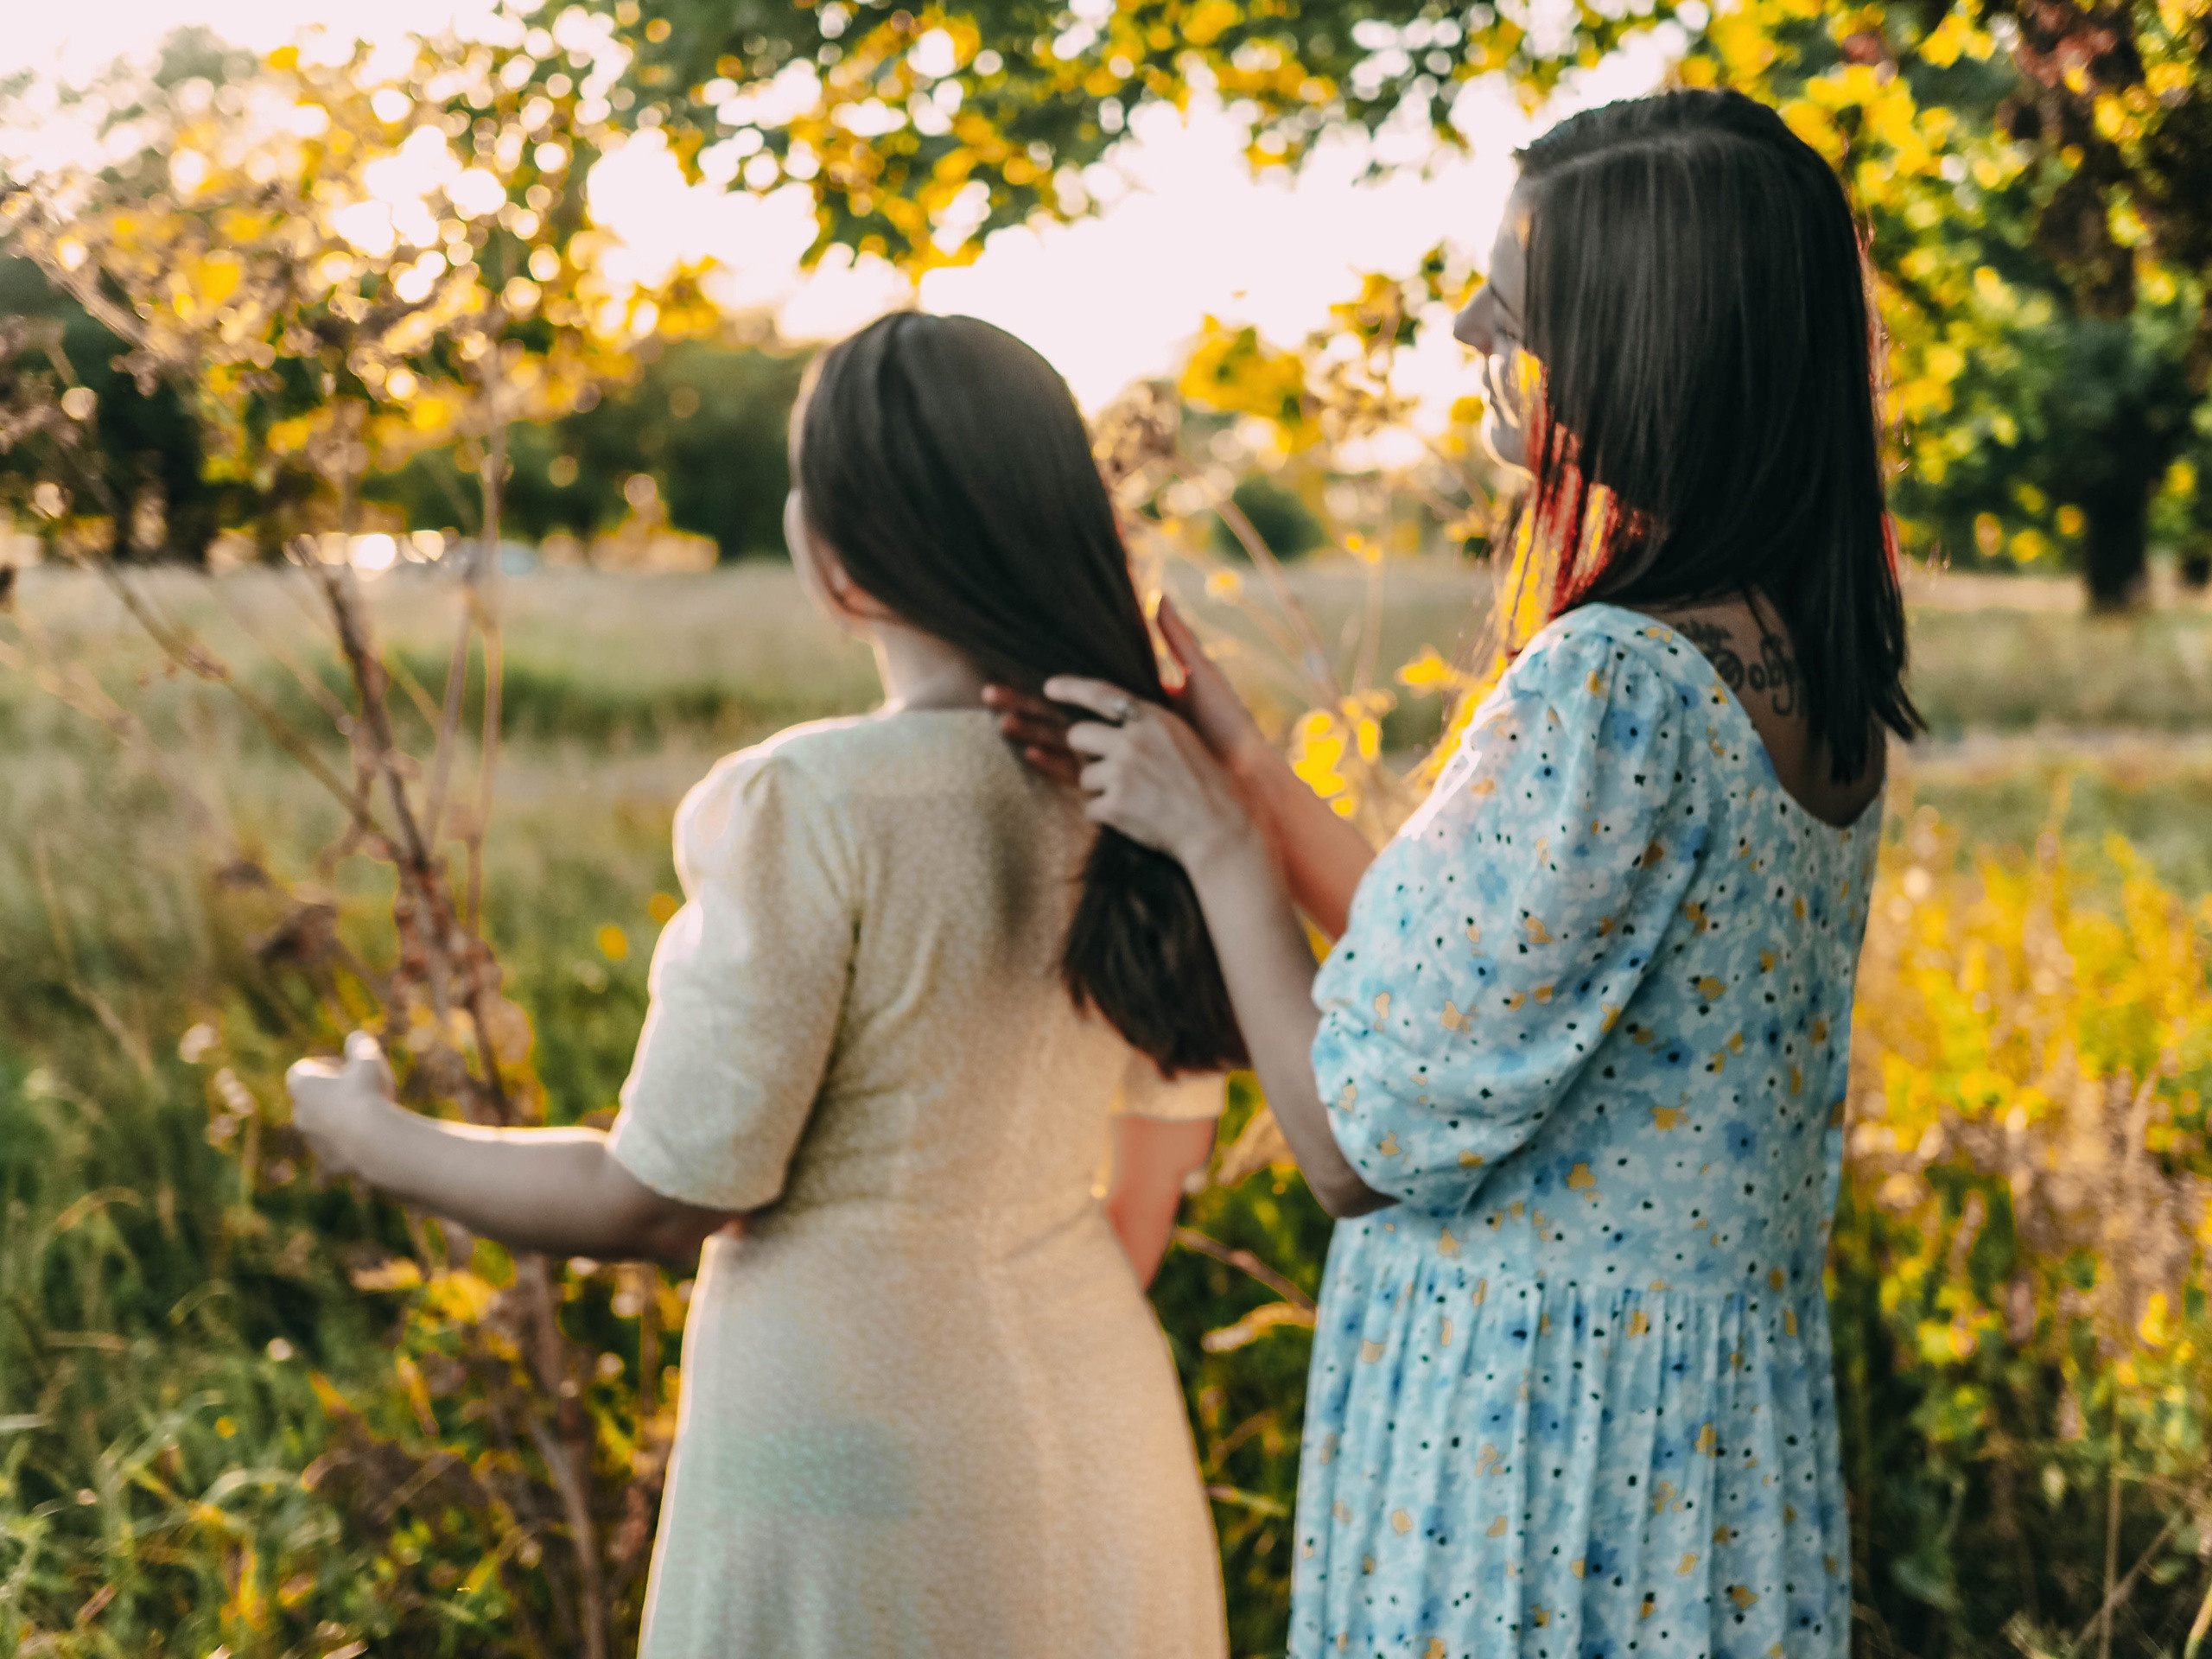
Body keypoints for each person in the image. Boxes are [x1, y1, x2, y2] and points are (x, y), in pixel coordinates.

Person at [995, 88, 1920, 1657]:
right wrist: (1241, 758)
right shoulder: (1803, 674)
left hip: (1534, 1465)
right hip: (1695, 1460)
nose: (1468, 322)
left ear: (1653, 343)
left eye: (1520, 296)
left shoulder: (1612, 685)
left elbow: (1359, 1138)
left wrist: (1217, 849)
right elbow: (1473, 995)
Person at [287, 313, 1235, 1659]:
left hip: (844, 1465)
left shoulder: (810, 801)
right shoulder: (1154, 789)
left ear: (833, 557)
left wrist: (373, 1138)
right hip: (1102, 1439)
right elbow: (1142, 1201)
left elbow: (662, 1198)